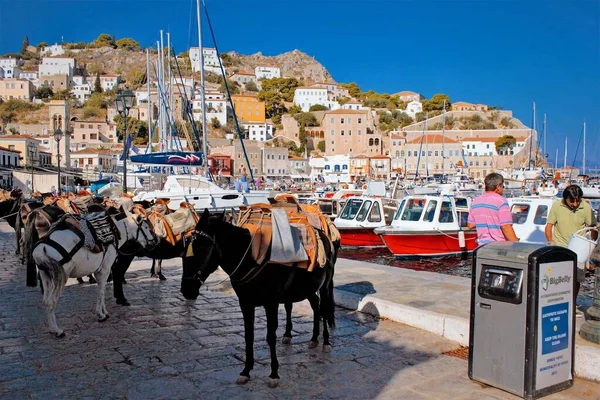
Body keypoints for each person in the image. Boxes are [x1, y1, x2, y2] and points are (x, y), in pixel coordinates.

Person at [545, 184, 597, 317]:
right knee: (557, 278)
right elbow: (549, 226)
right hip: (560, 246)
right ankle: (556, 303)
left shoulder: (585, 207)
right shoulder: (557, 205)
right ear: (565, 199)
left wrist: (591, 249)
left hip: (579, 249)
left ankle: (572, 303)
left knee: (576, 279)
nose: (575, 203)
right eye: (572, 200)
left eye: (577, 200)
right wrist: (550, 240)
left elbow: (592, 229)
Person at [467, 172, 519, 244]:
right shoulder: (501, 201)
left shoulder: (475, 202)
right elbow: (506, 226)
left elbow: (470, 225)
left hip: (482, 246)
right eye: (502, 186)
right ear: (498, 186)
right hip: (498, 246)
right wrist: (517, 243)